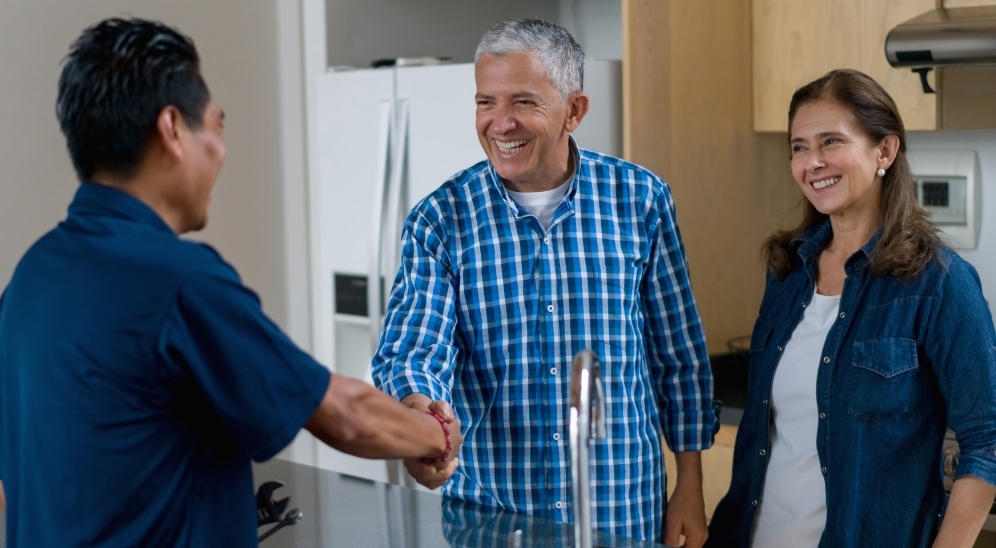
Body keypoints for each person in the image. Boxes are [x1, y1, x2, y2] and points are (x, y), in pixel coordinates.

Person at [0, 17, 462, 546]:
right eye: (217, 127)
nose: (220, 149)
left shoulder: (30, 278)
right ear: (173, 129)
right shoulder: (179, 282)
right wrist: (436, 432)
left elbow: (13, 483)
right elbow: (343, 414)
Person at [371, 18, 716, 546]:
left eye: (523, 103)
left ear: (574, 110)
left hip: (621, 512)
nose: (500, 123)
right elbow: (414, 349)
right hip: (494, 516)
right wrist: (422, 420)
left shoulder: (640, 199)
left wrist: (690, 485)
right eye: (486, 102)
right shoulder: (441, 219)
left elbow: (678, 354)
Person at [706, 68, 996, 547]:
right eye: (799, 147)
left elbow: (987, 442)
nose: (812, 162)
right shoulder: (787, 270)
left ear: (885, 150)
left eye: (831, 142)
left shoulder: (939, 282)